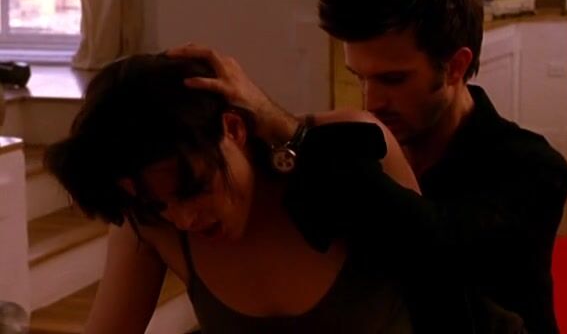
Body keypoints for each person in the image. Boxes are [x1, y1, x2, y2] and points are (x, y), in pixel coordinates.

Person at [169, 0, 567, 333]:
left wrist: (282, 126)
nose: (372, 101)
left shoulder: (534, 168)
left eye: (393, 79)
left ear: (455, 67)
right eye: (360, 77)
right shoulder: (357, 152)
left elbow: (431, 244)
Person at [44, 53, 422, 334]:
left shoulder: (354, 149)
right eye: (157, 204)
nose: (183, 219)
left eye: (194, 189)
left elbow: (441, 277)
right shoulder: (147, 222)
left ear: (234, 130)